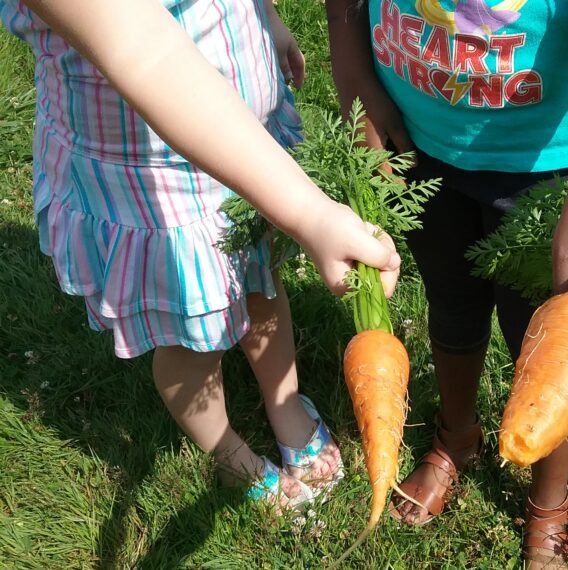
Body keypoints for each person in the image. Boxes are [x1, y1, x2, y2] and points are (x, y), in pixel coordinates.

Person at [1, 0, 400, 515]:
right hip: (149, 183)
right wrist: (308, 213)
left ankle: (284, 404)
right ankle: (231, 454)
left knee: (262, 281)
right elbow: (140, 46)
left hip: (249, 140)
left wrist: (267, 16)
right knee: (190, 338)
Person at [325, 0, 568, 566]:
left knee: (550, 352)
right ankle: (458, 434)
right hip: (413, 137)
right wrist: (356, 75)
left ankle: (548, 500)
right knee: (449, 297)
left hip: (541, 159)